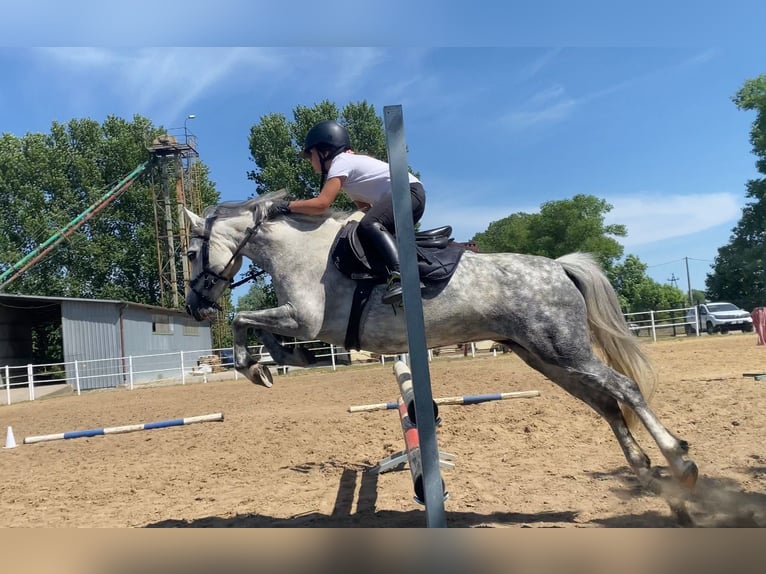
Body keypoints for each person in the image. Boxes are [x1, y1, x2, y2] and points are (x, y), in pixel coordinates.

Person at [268, 120, 426, 305]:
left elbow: (321, 204)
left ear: (325, 152)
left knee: (369, 224)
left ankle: (402, 276)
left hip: (407, 193)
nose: (310, 161)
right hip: (410, 195)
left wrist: (286, 206)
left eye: (311, 155)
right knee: (365, 227)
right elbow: (365, 208)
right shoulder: (347, 171)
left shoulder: (341, 162)